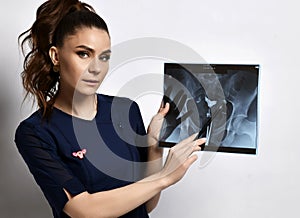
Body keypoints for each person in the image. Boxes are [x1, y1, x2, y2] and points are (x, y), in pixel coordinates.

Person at [15, 0, 205, 217]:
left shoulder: (126, 110)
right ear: (56, 56)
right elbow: (83, 210)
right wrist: (165, 177)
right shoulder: (35, 133)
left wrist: (154, 146)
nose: (96, 68)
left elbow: (146, 205)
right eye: (83, 54)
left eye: (104, 57)